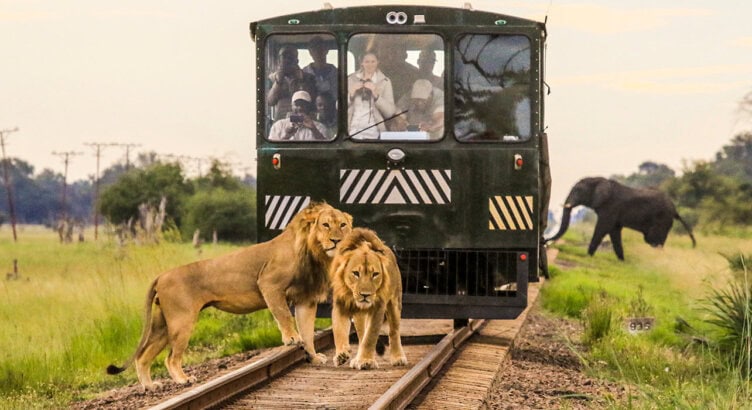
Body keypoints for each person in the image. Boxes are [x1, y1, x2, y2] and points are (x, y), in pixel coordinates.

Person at [347, 51, 396, 140]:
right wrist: (351, 94)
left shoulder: (385, 82)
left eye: (373, 61)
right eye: (367, 62)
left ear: (378, 62)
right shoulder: (351, 79)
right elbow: (338, 107)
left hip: (373, 133)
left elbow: (390, 112)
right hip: (351, 132)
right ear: (361, 63)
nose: (370, 65)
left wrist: (376, 96)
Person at [267, 46, 316, 121]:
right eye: (284, 57)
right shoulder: (272, 79)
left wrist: (300, 80)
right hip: (281, 122)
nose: (287, 60)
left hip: (303, 120)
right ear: (278, 61)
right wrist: (278, 82)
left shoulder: (309, 78)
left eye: (291, 57)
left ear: (297, 61)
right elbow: (270, 102)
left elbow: (312, 100)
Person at [377, 38, 419, 103]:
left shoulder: (413, 73)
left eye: (395, 51)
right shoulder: (375, 70)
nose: (391, 56)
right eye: (389, 51)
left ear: (405, 55)